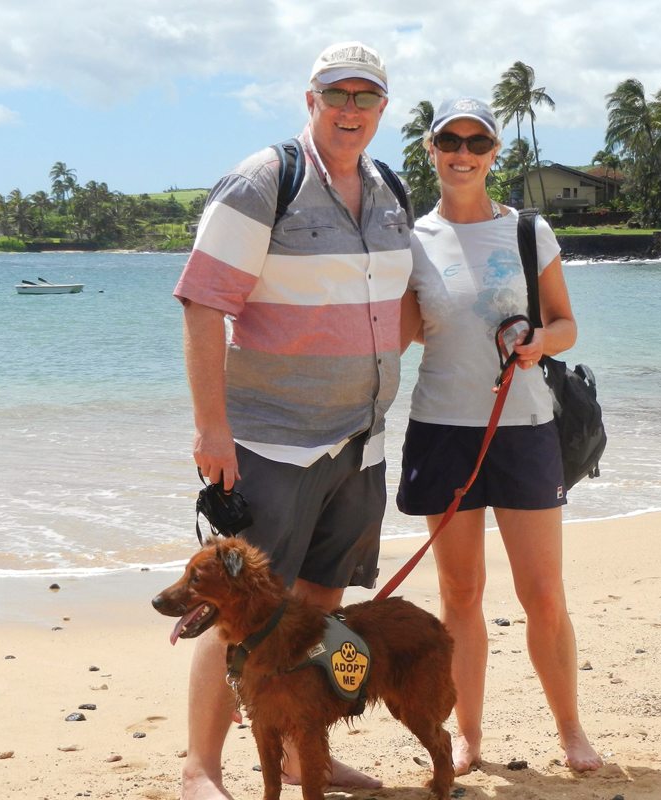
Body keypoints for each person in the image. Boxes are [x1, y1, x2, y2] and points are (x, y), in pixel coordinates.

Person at [173, 42, 413, 800]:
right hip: (270, 443)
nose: (350, 108)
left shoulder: (388, 187)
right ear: (311, 100)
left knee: (317, 607)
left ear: (382, 107)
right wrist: (212, 429)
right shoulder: (262, 183)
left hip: (360, 441)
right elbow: (204, 304)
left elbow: (398, 305)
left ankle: (304, 759)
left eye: (365, 96)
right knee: (238, 614)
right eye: (335, 94)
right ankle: (199, 771)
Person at [397, 97, 602, 775]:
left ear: (492, 155)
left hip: (525, 428)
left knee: (542, 594)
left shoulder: (528, 230)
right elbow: (394, 336)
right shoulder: (411, 239)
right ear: (431, 150)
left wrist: (541, 343)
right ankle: (469, 737)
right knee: (459, 594)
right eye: (449, 140)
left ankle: (570, 729)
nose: (462, 153)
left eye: (476, 142)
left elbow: (566, 324)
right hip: (440, 429)